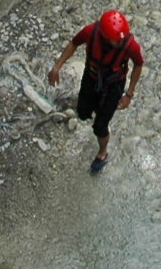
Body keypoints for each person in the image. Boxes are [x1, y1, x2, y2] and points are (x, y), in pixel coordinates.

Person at [47, 9, 144, 173]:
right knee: (83, 112)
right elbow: (74, 43)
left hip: (114, 85)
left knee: (100, 125)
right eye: (116, 41)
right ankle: (95, 111)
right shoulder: (90, 32)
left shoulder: (129, 45)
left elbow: (138, 65)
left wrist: (129, 94)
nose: (120, 43)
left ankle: (102, 152)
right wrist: (57, 67)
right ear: (105, 37)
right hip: (91, 77)